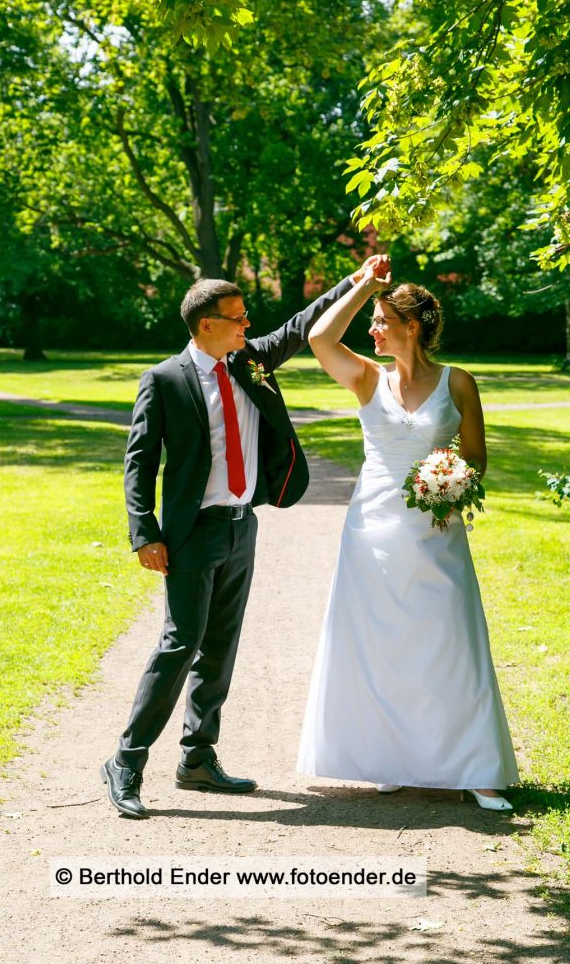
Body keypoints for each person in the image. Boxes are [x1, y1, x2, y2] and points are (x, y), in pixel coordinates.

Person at [101, 259, 382, 819]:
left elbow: (302, 324)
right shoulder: (163, 380)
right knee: (180, 643)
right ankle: (126, 761)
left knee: (220, 647)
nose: (247, 325)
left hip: (240, 527)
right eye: (237, 318)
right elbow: (140, 463)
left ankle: (198, 758)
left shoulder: (249, 362)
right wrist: (143, 533)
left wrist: (357, 281)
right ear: (207, 324)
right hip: (189, 533)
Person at [297, 260, 519, 810]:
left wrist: (449, 483)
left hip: (436, 529)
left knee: (451, 640)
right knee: (378, 644)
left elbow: (476, 457)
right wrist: (361, 287)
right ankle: (385, 757)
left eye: (379, 320)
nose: (372, 329)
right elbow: (318, 335)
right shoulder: (367, 378)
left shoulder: (458, 381)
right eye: (373, 320)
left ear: (411, 327)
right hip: (370, 528)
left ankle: (478, 769)